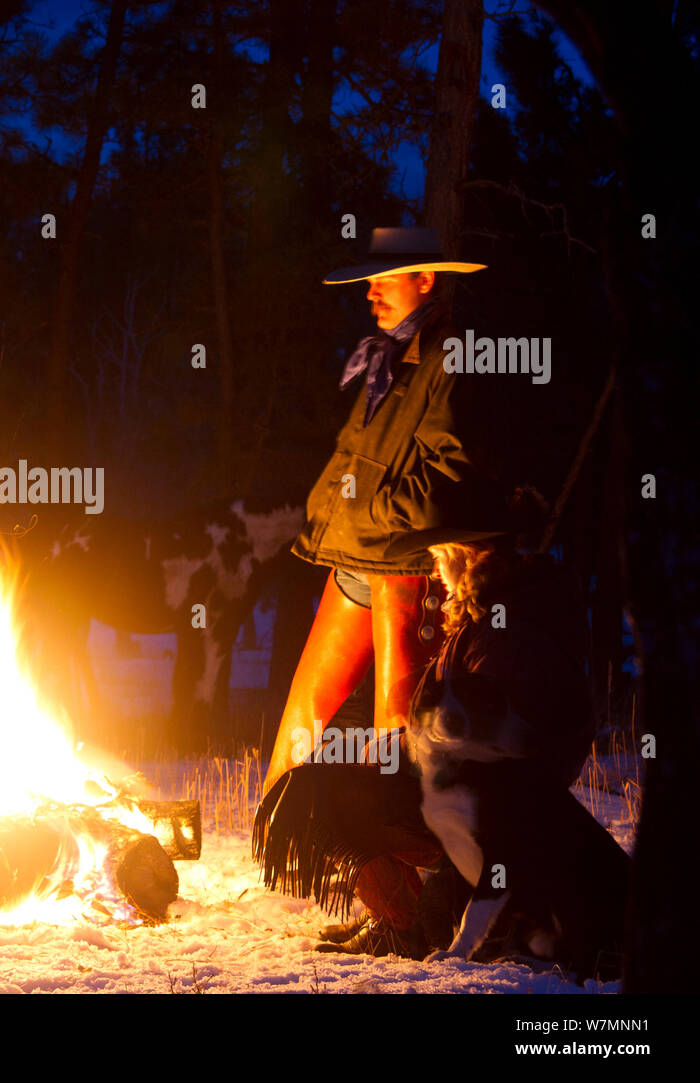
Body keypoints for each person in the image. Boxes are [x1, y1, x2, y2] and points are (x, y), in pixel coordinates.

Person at [255, 490, 598, 960]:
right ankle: (399, 914)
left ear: (465, 555)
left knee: (319, 792)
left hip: (485, 806)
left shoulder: (509, 627)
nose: (434, 570)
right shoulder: (495, 607)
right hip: (465, 787)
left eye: (438, 556)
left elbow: (488, 745)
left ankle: (408, 924)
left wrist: (394, 753)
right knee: (332, 778)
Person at [261, 227, 493, 798]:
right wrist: (339, 510)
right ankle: (274, 837)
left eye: (382, 282)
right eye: (367, 284)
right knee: (306, 707)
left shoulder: (452, 356)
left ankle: (393, 862)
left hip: (404, 561)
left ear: (425, 279)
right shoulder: (387, 356)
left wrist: (376, 510)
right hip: (356, 551)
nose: (370, 295)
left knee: (394, 726)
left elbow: (454, 471)